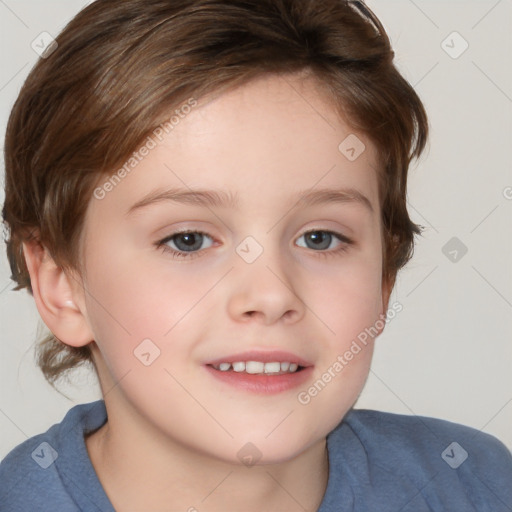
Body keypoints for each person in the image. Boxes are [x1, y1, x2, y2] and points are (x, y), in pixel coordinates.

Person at [1, 1, 511, 510]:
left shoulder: (476, 483)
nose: (270, 295)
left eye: (320, 238)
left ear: (384, 278)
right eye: (188, 240)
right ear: (61, 284)